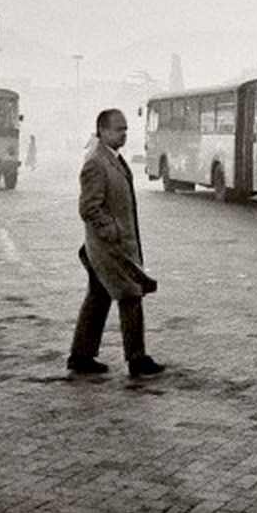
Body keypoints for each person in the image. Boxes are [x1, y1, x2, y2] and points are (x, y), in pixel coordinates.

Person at [67, 109, 164, 378]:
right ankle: (137, 359)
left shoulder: (112, 159)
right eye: (119, 129)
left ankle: (81, 356)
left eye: (125, 129)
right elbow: (89, 207)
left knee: (98, 297)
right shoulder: (96, 163)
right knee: (130, 295)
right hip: (108, 247)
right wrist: (111, 229)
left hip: (112, 244)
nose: (124, 133)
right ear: (104, 131)